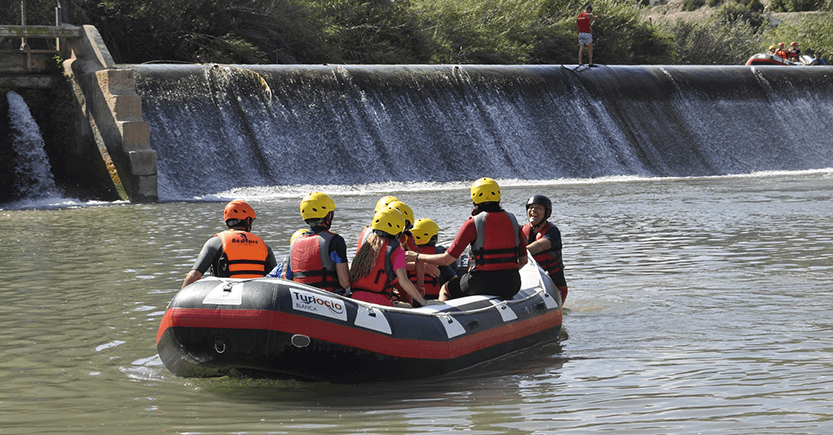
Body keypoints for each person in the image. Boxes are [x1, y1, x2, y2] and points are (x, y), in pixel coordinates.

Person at [408, 178, 528, 301]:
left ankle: (445, 318)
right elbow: (523, 260)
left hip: (481, 283)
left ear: (474, 199)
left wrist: (417, 256)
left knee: (445, 289)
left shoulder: (473, 223)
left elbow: (446, 260)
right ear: (498, 197)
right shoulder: (513, 220)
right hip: (512, 284)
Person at [349, 206, 433, 308]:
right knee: (408, 307)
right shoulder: (396, 249)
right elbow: (403, 281)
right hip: (378, 301)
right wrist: (423, 302)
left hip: (355, 298)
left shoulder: (366, 244)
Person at [182, 200, 278, 288]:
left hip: (226, 297)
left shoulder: (214, 243)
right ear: (248, 221)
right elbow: (277, 278)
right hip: (257, 297)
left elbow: (194, 276)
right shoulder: (264, 246)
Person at [281, 192, 351, 294]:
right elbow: (344, 282)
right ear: (328, 214)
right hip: (329, 299)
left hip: (301, 299)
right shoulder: (336, 241)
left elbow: (289, 279)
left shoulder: (294, 242)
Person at [521, 195, 569, 304]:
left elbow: (540, 246)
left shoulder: (553, 232)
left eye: (538, 208)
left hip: (554, 285)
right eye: (530, 207)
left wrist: (516, 253)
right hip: (531, 282)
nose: (533, 210)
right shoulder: (521, 230)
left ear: (547, 213)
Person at [408, 218, 458, 299]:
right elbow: (452, 276)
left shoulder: (408, 254)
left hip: (412, 298)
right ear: (433, 238)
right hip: (433, 297)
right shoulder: (438, 253)